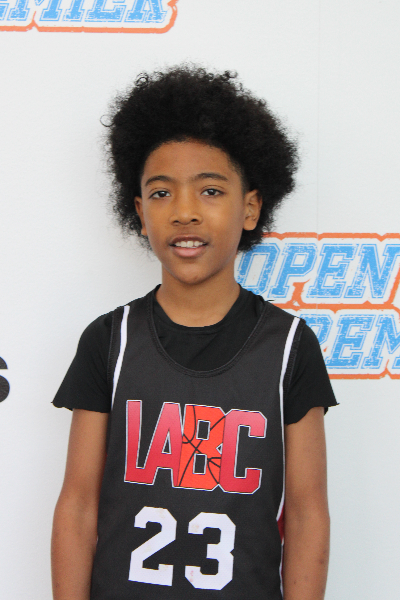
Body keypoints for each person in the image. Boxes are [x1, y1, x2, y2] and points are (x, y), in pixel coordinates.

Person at [51, 65, 337, 600]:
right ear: (140, 213)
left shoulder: (290, 346)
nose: (184, 212)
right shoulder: (109, 341)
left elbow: (306, 514)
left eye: (210, 190)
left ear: (250, 207)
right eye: (162, 193)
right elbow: (78, 505)